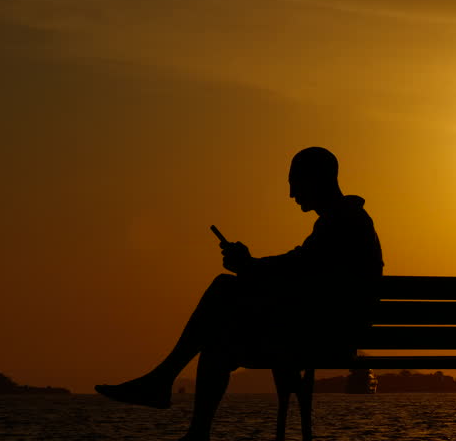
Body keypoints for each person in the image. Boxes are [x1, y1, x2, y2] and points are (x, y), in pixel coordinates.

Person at [95, 147, 383, 440]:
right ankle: (187, 418)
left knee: (223, 290)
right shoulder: (347, 220)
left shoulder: (342, 221)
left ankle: (165, 384)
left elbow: (301, 272)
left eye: (294, 182)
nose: (291, 194)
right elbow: (303, 271)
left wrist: (249, 267)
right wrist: (251, 267)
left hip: (322, 337)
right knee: (219, 341)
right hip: (324, 329)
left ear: (315, 179)